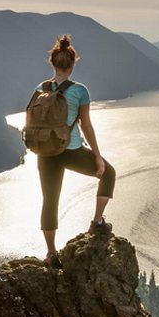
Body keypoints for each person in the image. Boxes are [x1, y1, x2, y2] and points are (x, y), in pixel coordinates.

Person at [35, 35, 116, 267]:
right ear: (72, 65)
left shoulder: (41, 88)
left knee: (49, 201)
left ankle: (51, 254)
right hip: (71, 150)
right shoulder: (80, 91)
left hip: (46, 154)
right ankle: (97, 223)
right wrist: (97, 156)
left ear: (53, 64)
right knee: (108, 173)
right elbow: (86, 125)